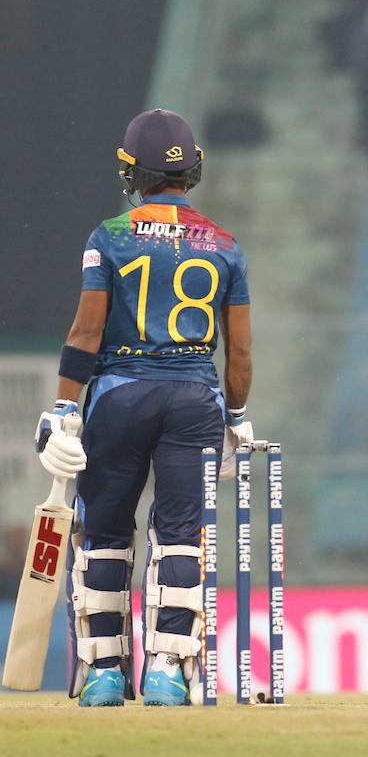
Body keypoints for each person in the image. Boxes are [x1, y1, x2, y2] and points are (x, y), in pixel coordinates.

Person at [34, 108, 254, 706]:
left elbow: (86, 334)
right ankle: (167, 672)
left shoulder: (108, 235)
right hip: (193, 400)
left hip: (118, 398)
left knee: (104, 534)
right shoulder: (226, 246)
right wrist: (235, 417)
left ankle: (105, 672)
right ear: (194, 170)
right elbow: (239, 355)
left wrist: (62, 407)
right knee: (180, 538)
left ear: (132, 170)